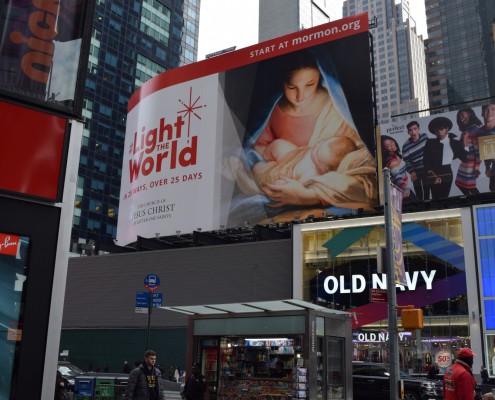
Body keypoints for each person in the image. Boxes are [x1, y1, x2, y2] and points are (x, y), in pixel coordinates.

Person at [224, 49, 376, 222]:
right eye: (292, 87)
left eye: (310, 84)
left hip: (314, 192)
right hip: (284, 166)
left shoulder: (337, 109)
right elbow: (257, 150)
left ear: (321, 77)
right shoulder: (272, 110)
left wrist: (310, 195)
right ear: (281, 84)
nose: (300, 96)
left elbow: (362, 168)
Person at [252, 136, 357, 189]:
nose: (316, 145)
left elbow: (299, 186)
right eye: (320, 144)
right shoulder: (319, 151)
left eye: (316, 155)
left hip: (283, 172)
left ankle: (257, 169)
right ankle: (265, 152)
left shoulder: (311, 175)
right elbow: (303, 150)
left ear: (324, 170)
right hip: (294, 155)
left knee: (258, 168)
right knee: (279, 144)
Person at [423, 116, 468, 199]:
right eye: (436, 131)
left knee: (444, 198)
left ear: (447, 129)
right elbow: (426, 161)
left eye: (441, 129)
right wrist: (433, 176)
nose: (440, 133)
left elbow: (465, 158)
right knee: (436, 199)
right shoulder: (430, 143)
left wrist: (465, 143)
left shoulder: (455, 143)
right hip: (433, 173)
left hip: (447, 174)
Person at [454, 109, 483, 195]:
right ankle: (472, 200)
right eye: (459, 117)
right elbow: (464, 150)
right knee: (460, 184)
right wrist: (464, 139)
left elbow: (479, 151)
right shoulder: (465, 131)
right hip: (465, 163)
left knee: (470, 186)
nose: (461, 118)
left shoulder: (476, 130)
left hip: (471, 165)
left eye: (462, 115)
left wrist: (477, 167)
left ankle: (477, 202)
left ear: (469, 114)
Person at [381, 135, 417, 201]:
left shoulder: (396, 155)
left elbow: (404, 167)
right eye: (387, 145)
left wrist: (412, 172)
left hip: (403, 189)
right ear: (384, 149)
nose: (392, 145)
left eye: (391, 142)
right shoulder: (391, 160)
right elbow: (397, 177)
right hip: (400, 191)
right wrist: (404, 188)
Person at [402, 120, 430, 200]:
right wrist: (412, 172)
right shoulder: (405, 146)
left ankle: (427, 207)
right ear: (408, 132)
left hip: (426, 168)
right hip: (415, 171)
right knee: (419, 193)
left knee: (427, 190)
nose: (413, 132)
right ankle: (420, 208)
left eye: (415, 129)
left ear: (418, 129)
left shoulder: (425, 137)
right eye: (410, 130)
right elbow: (406, 163)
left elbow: (430, 152)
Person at [478, 103, 495, 191]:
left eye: (493, 109)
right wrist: (487, 167)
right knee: (492, 189)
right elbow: (486, 151)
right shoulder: (480, 132)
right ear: (482, 113)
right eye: (487, 109)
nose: (490, 112)